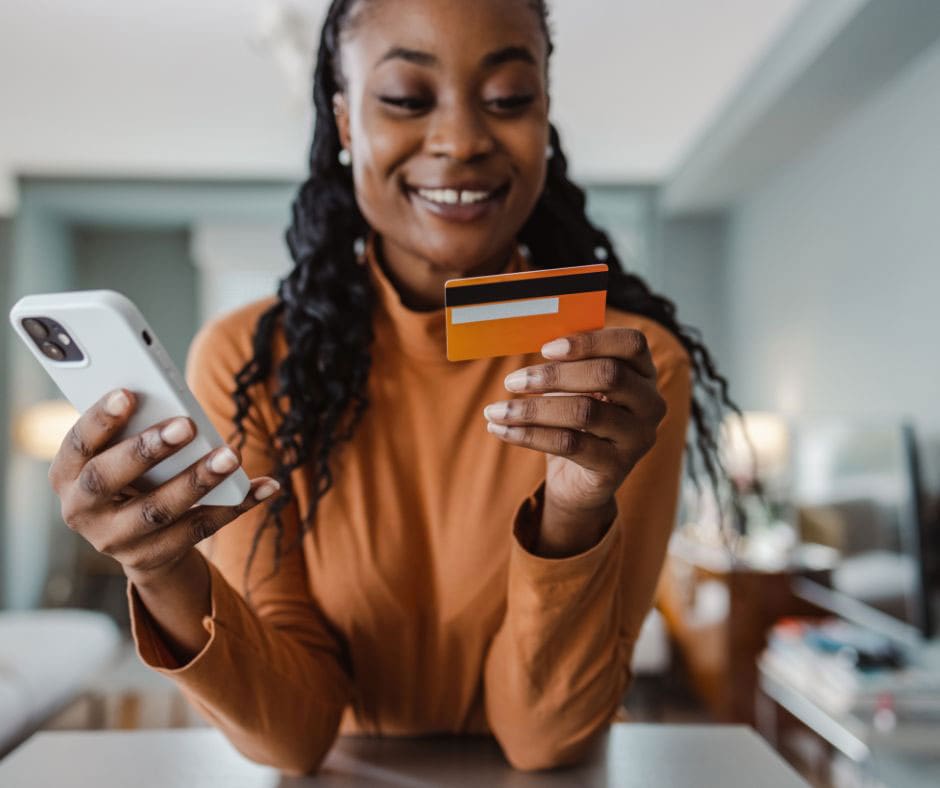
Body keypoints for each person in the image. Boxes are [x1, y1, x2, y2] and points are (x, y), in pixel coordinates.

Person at [48, 0, 736, 775]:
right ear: (344, 122)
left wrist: (576, 509)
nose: (462, 140)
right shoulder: (250, 361)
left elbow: (544, 737)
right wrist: (160, 567)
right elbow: (294, 734)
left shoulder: (626, 371)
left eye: (509, 99)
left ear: (545, 117)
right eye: (408, 99)